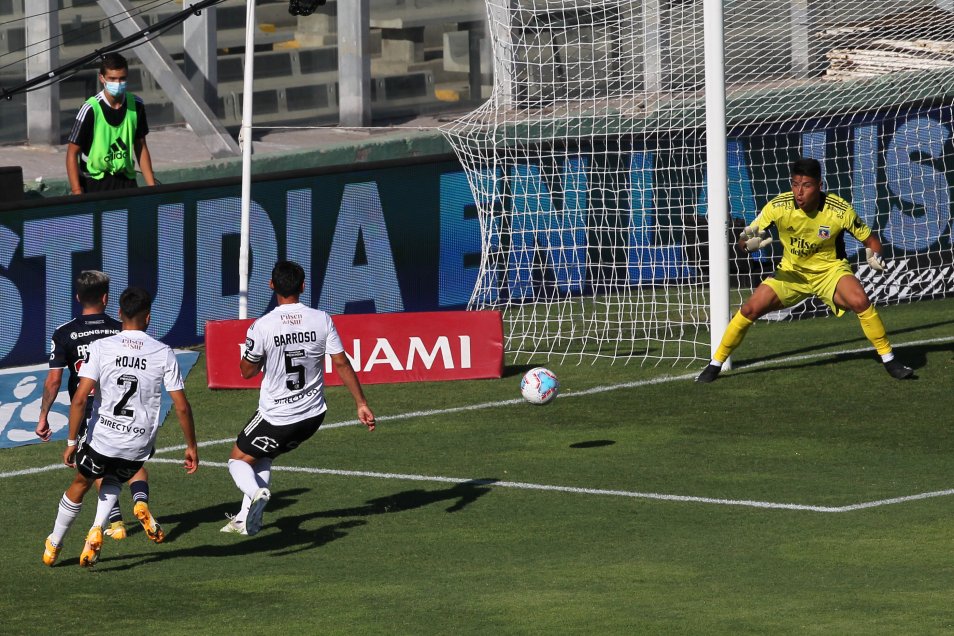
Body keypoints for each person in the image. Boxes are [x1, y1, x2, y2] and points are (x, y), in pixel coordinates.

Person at [696, 157, 914, 383]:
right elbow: (744, 239)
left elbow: (871, 241)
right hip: (791, 274)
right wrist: (748, 243)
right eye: (794, 184)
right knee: (750, 309)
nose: (799, 192)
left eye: (806, 185)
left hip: (830, 272)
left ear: (819, 186)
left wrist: (874, 254)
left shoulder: (839, 210)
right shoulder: (778, 206)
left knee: (860, 300)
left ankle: (890, 360)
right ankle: (715, 365)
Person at [42, 287, 198, 567]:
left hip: (103, 437)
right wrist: (191, 446)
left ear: (118, 314)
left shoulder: (102, 347)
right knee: (114, 479)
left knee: (81, 483)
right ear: (148, 318)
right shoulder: (163, 353)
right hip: (139, 443)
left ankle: (53, 544)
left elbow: (80, 398)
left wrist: (70, 442)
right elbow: (182, 406)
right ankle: (96, 530)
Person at [221, 261, 376, 536]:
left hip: (278, 416)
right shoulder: (321, 319)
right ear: (303, 286)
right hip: (313, 416)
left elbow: (246, 372)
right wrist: (361, 403)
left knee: (237, 460)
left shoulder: (262, 326)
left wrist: (254, 356)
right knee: (264, 456)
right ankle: (245, 519)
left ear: (271, 286)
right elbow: (341, 363)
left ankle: (257, 494)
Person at [36, 270, 159, 542]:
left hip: (88, 411)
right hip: (122, 406)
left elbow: (54, 381)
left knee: (97, 467)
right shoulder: (121, 329)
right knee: (132, 463)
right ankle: (138, 502)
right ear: (106, 298)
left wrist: (43, 416)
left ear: (78, 297)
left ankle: (115, 523)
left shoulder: (64, 333)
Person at [66, 52, 155, 194]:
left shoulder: (136, 105)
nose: (118, 83)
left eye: (122, 79)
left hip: (126, 179)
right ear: (102, 78)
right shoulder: (90, 109)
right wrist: (77, 191)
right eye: (112, 79)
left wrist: (152, 187)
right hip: (95, 182)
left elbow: (141, 146)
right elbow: (72, 152)